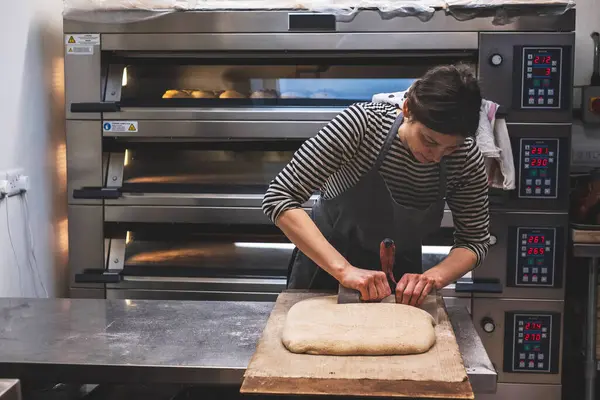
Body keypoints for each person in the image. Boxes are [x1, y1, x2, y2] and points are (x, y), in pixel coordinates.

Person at [262, 64, 490, 306]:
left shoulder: (465, 157)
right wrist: (344, 270)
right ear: (407, 109)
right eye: (429, 141)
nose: (436, 156)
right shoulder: (361, 125)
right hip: (325, 269)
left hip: (401, 283)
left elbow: (474, 241)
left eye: (450, 148)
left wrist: (432, 278)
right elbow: (280, 197)